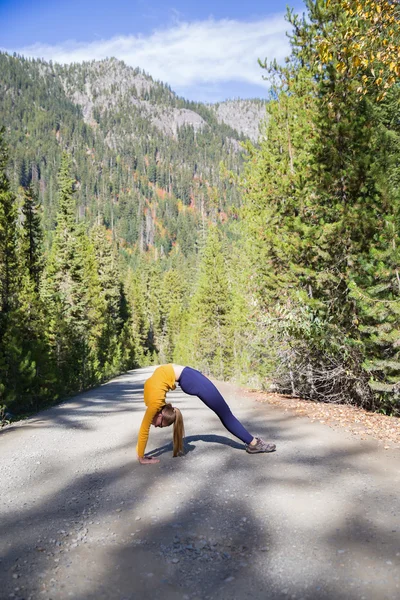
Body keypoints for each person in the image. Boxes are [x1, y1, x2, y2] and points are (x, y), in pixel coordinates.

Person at [136, 364, 276, 465]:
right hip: (189, 375)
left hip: (191, 379)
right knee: (224, 413)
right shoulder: (152, 402)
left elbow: (144, 430)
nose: (155, 426)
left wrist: (141, 457)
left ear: (160, 415)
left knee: (225, 414)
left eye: (159, 425)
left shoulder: (153, 404)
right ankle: (253, 442)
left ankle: (254, 444)